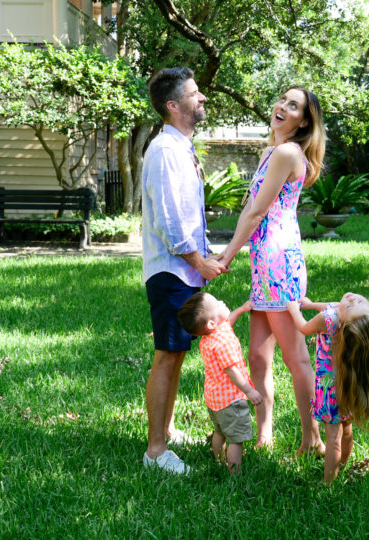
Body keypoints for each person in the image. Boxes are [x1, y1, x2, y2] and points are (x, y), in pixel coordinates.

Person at [216, 86, 326, 455]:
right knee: (259, 357)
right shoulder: (271, 151)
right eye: (282, 99)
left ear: (303, 121)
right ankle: (264, 434)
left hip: (278, 263)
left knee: (296, 358)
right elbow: (251, 209)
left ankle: (312, 438)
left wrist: (227, 255)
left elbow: (256, 212)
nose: (282, 107)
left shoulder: (286, 152)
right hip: (264, 261)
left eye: (293, 106)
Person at [141, 67, 228, 475]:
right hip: (171, 272)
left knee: (175, 356)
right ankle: (155, 451)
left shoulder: (181, 147)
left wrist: (205, 257)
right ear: (173, 105)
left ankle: (168, 430)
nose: (203, 99)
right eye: (195, 94)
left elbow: (188, 217)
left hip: (185, 272)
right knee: (167, 355)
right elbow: (168, 219)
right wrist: (199, 261)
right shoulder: (164, 150)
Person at [287, 293, 369, 485]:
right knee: (346, 431)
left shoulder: (328, 320)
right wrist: (312, 304)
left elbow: (304, 328)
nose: (352, 299)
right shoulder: (355, 322)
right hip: (347, 386)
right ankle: (343, 467)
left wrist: (294, 309)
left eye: (353, 304)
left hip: (328, 390)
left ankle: (329, 483)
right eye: (359, 300)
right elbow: (336, 304)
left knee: (333, 437)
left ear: (344, 323)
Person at [177, 292, 264, 473]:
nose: (222, 301)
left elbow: (227, 323)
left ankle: (218, 460)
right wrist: (249, 391)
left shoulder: (210, 337)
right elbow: (233, 372)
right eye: (217, 303)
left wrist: (240, 310)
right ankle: (234, 474)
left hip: (215, 399)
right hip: (230, 401)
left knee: (219, 432)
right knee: (235, 440)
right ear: (211, 323)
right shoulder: (223, 343)